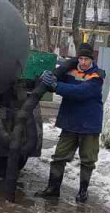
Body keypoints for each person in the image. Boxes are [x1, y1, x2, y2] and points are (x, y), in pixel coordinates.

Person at [36, 42, 105, 203]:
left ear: (92, 60)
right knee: (59, 157)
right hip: (70, 123)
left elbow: (80, 92)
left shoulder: (97, 77)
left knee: (87, 160)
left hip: (89, 126)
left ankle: (82, 192)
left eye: (86, 59)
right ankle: (53, 189)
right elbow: (55, 77)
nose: (83, 62)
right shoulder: (69, 70)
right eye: (80, 58)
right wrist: (45, 75)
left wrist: (55, 86)